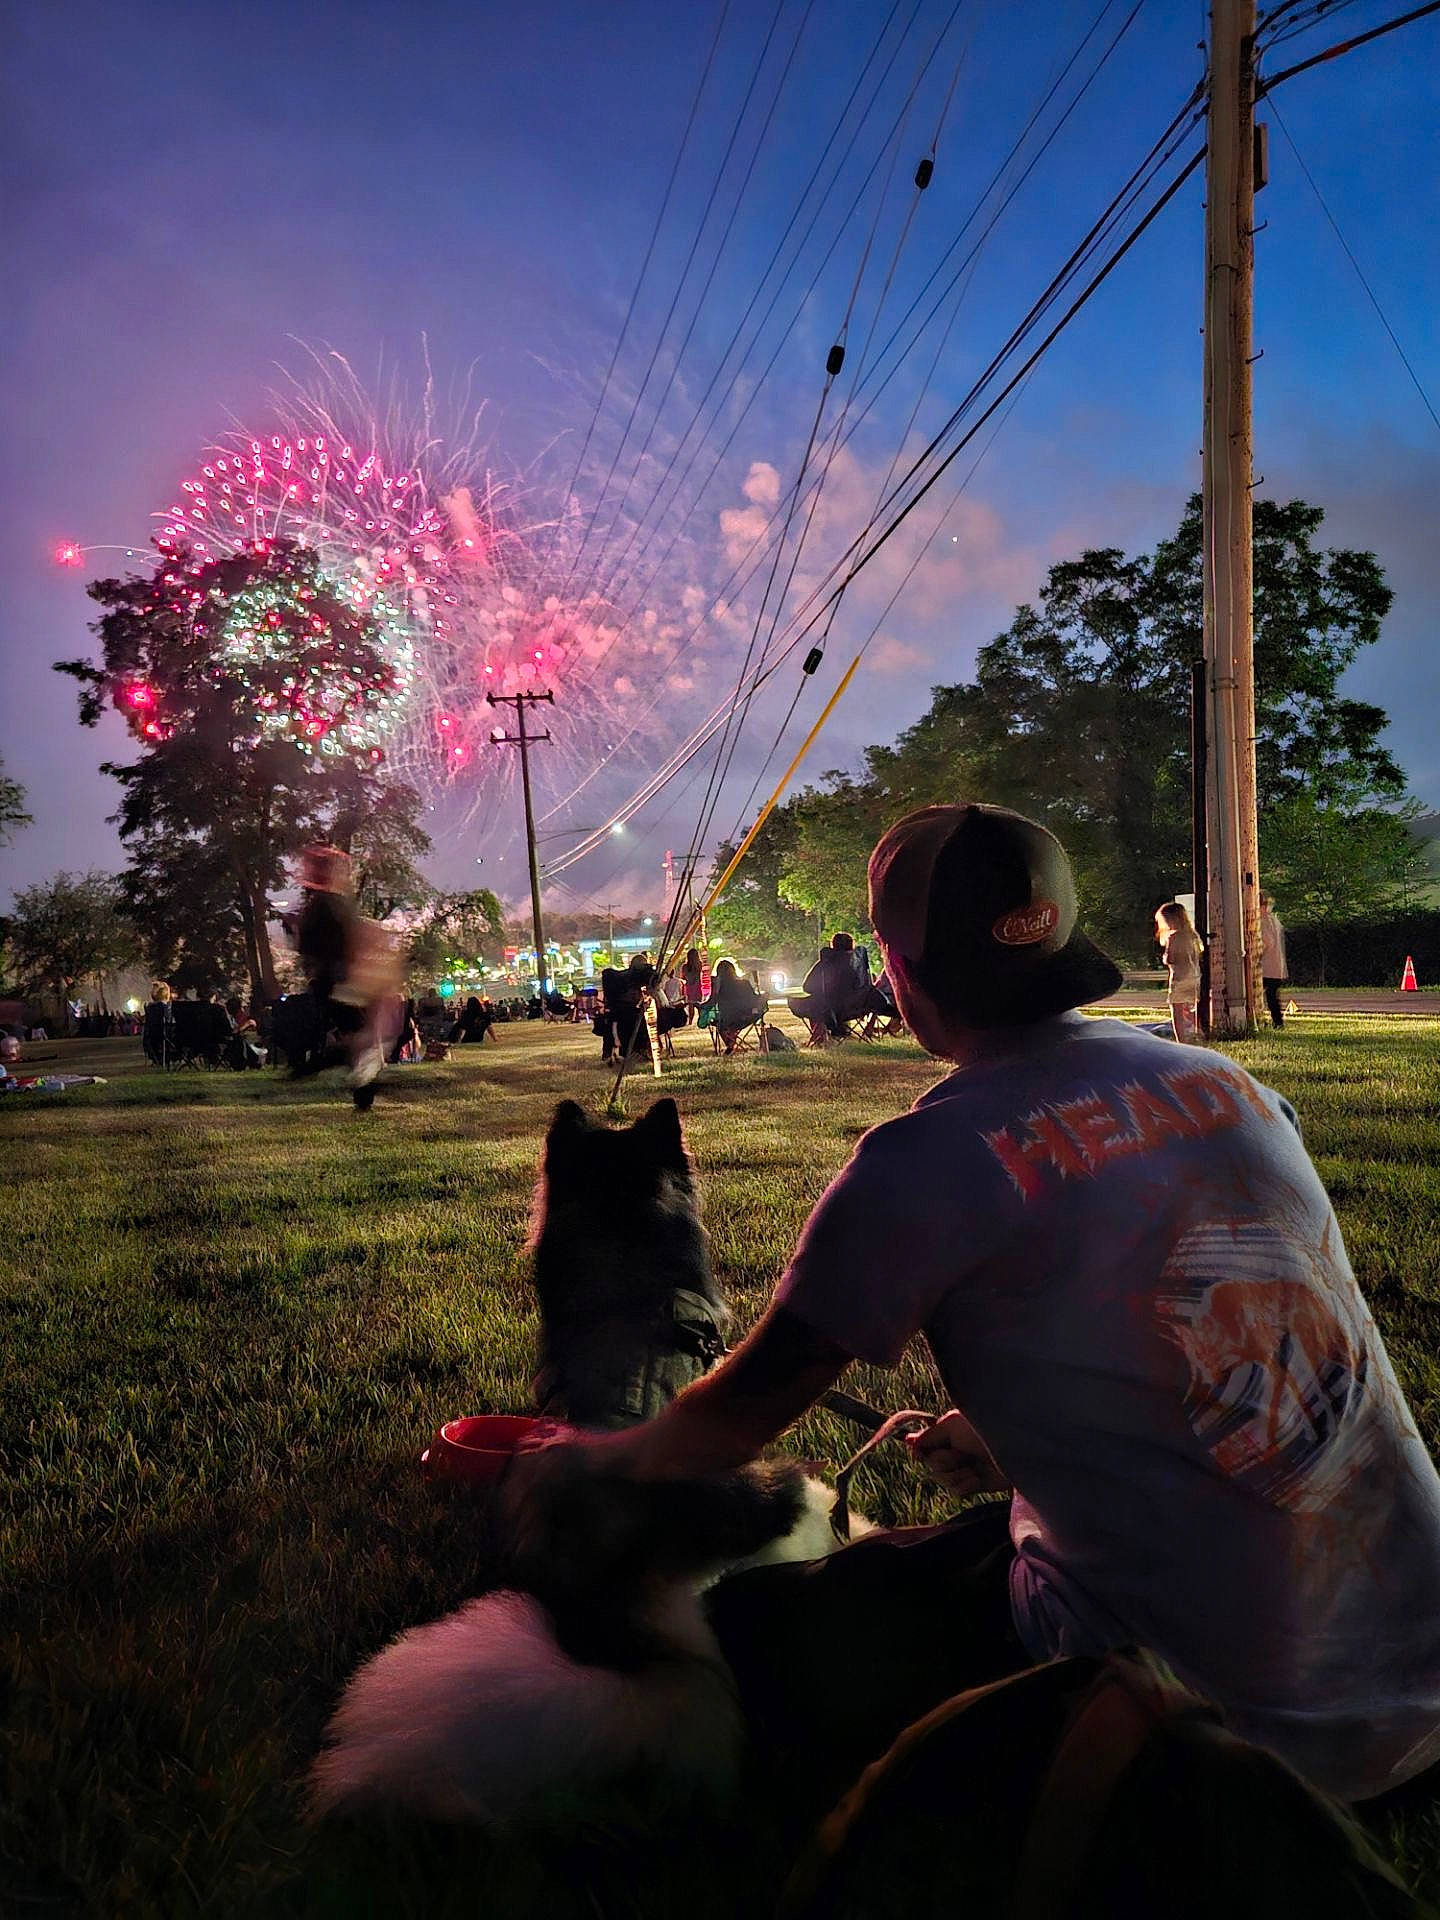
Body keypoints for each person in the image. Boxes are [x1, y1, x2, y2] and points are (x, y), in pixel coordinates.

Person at [522, 802, 1440, 1808]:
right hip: (1413, 1687)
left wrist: (595, 1464)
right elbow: (1253, 1335)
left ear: (903, 973)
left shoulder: (923, 1160)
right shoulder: (1227, 1083)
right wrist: (1002, 1438)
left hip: (1221, 1731)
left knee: (757, 1632)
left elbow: (740, 1414)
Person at [787, 932, 872, 1042]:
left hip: (828, 1010)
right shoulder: (859, 965)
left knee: (815, 1003)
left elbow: (807, 987)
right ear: (852, 946)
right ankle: (834, 1032)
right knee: (821, 1002)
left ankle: (820, 1036)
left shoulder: (825, 963)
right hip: (857, 1008)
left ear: (833, 945)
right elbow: (866, 987)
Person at [1155, 900, 1204, 1043]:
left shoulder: (1173, 937)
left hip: (1179, 978)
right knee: (1192, 1008)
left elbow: (1170, 959)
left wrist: (1164, 958)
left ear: (1173, 920)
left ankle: (1180, 1039)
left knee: (1176, 1009)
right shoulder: (1193, 936)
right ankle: (1197, 1033)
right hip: (1194, 976)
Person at [702, 958, 766, 1054]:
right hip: (747, 1017)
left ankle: (730, 1045)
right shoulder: (745, 983)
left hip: (727, 1020)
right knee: (731, 1025)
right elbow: (754, 1000)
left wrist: (699, 1005)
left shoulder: (718, 987)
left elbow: (711, 1002)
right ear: (734, 970)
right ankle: (731, 1042)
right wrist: (763, 998)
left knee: (721, 1026)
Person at [1261, 891, 1289, 1029]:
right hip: (1277, 965)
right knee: (1272, 995)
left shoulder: (1263, 921)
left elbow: (1267, 942)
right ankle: (1277, 1021)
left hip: (1266, 965)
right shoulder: (1275, 920)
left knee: (1267, 995)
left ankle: (1275, 1021)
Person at [681, 948, 705, 1024]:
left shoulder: (685, 967)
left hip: (689, 988)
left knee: (691, 1006)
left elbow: (683, 977)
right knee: (699, 1005)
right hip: (698, 987)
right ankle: (702, 1021)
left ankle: (690, 1022)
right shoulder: (699, 965)